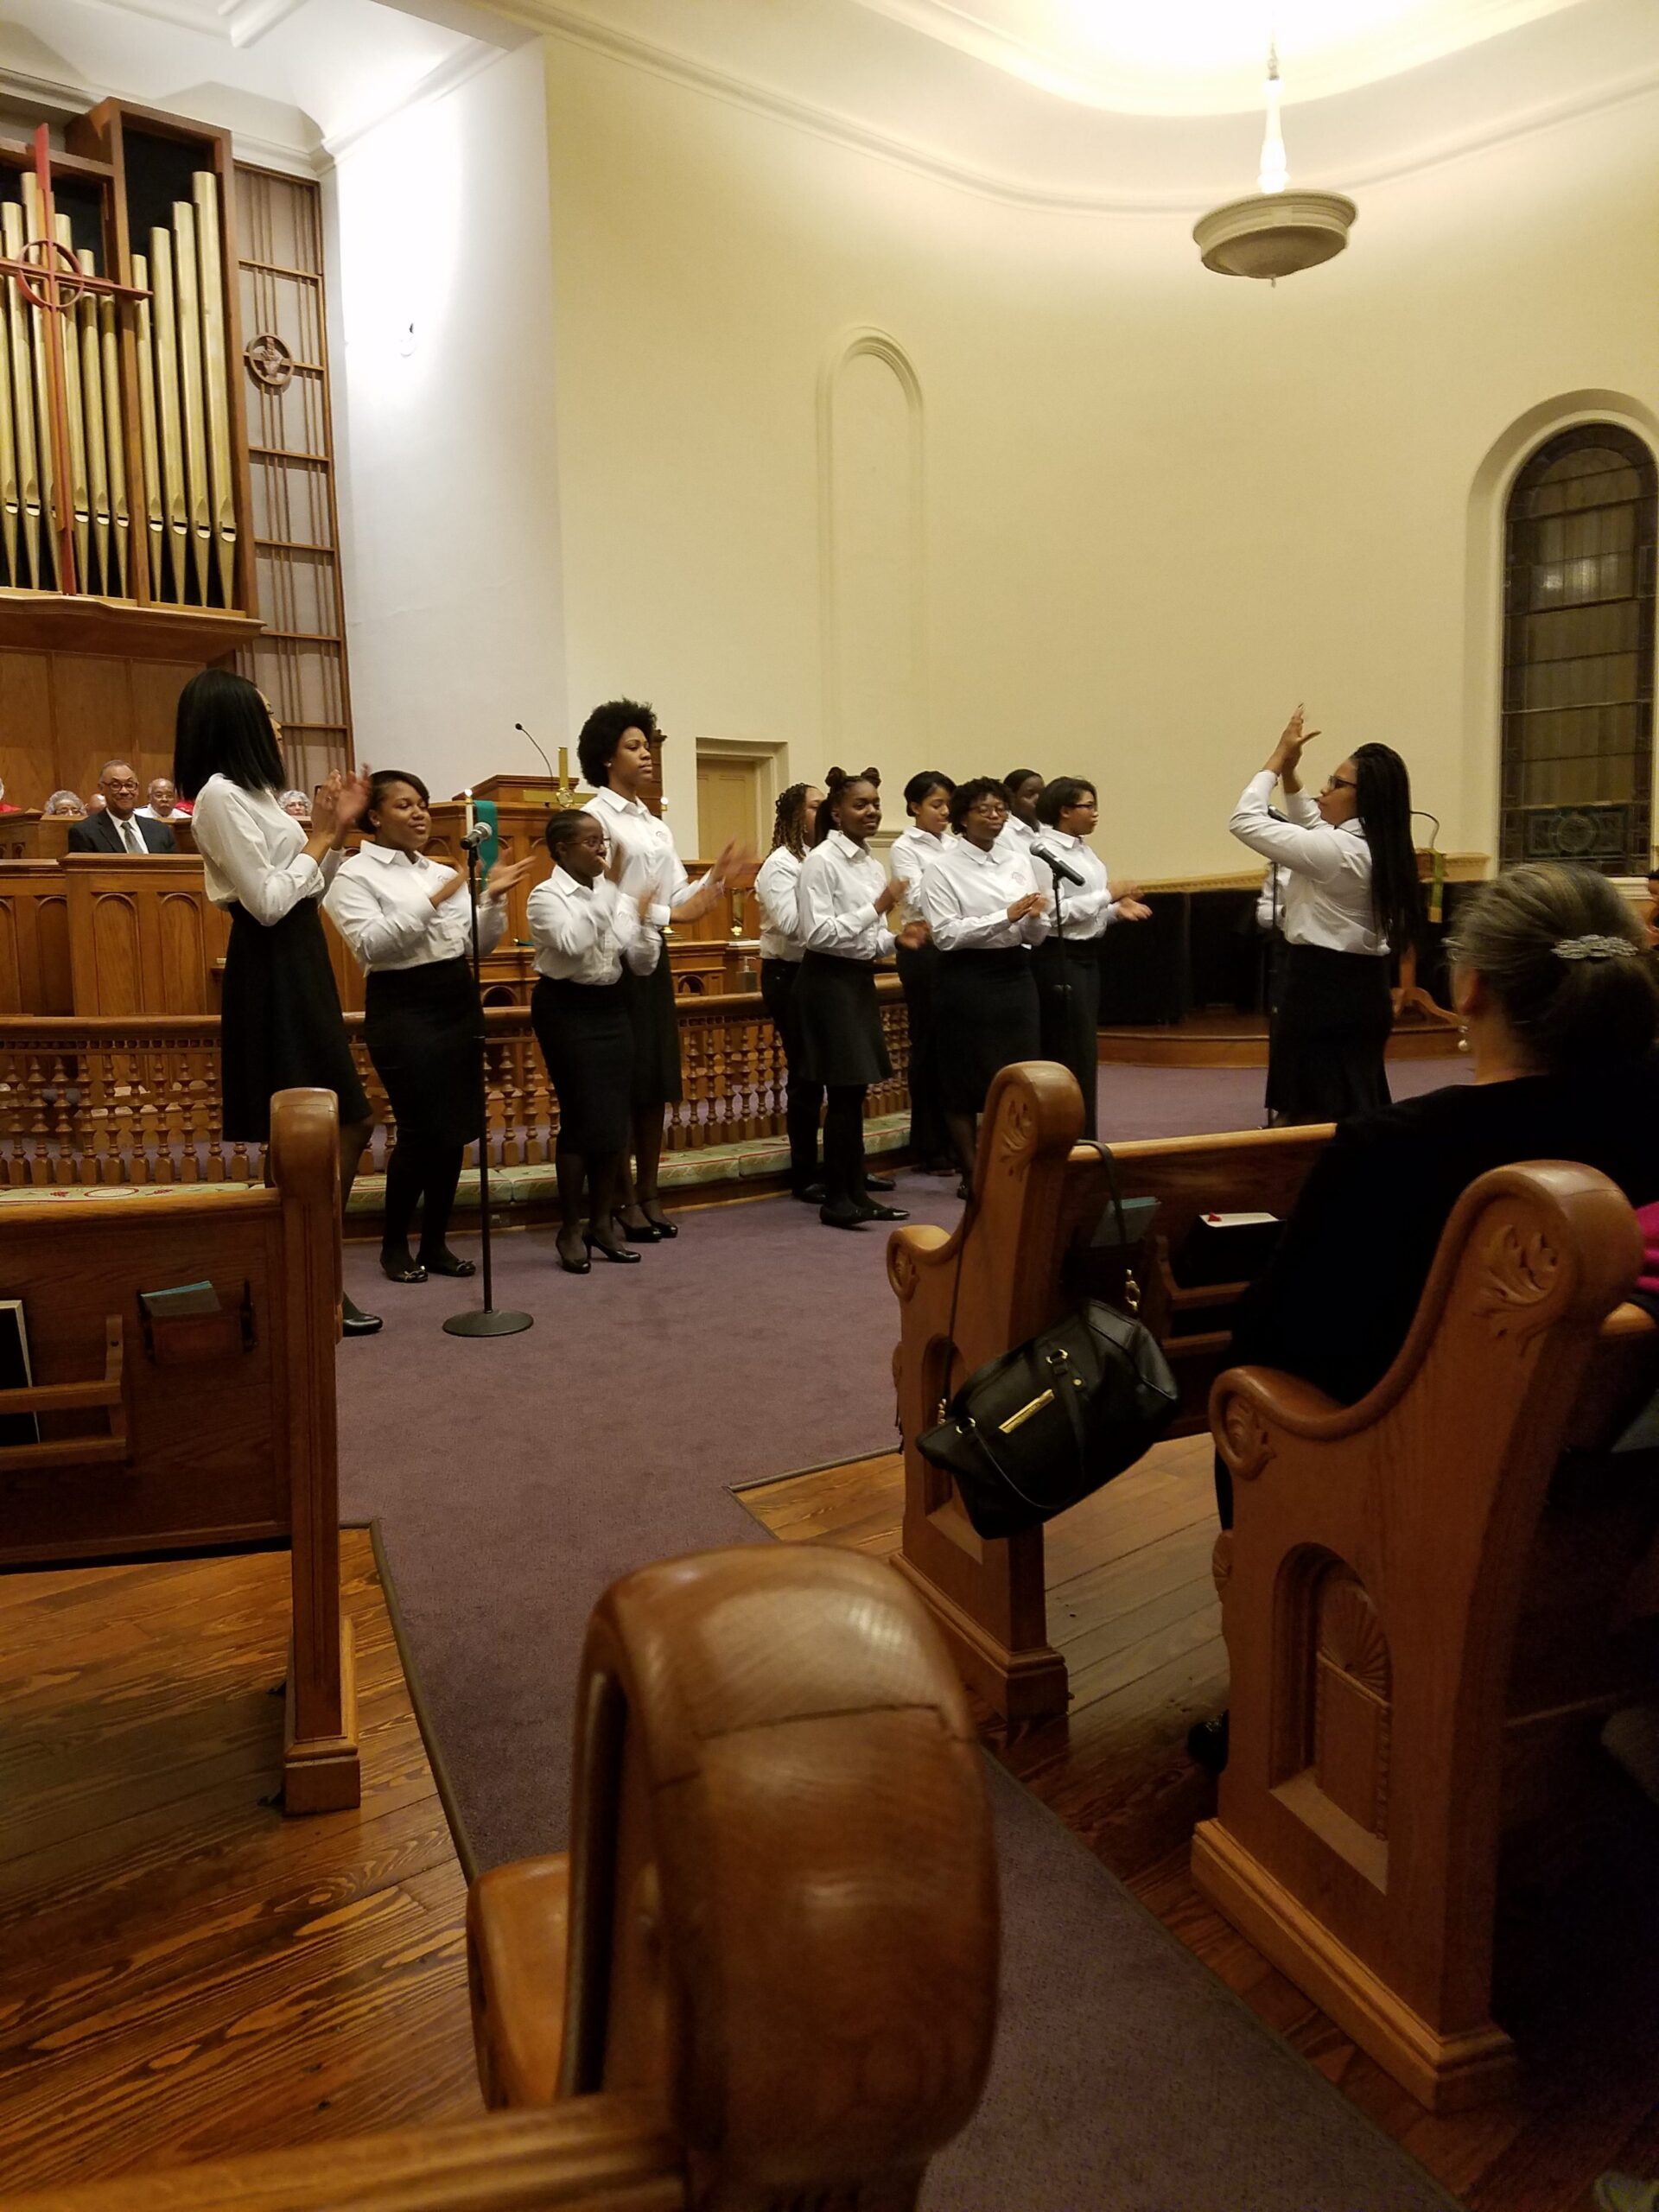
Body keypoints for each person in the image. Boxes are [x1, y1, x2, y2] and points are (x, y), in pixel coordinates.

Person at [1189, 861, 1659, 1771]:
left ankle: (1284, 1699)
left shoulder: (1396, 1151)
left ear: (1470, 985)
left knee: (1248, 1403)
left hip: (1434, 1484)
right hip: (1623, 1476)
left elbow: (1281, 1353)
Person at [175, 669, 381, 1336]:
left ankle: (303, 1280)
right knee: (330, 1124)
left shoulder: (258, 795)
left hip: (300, 956)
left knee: (318, 1128)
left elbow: (306, 890)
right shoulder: (218, 797)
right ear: (234, 722)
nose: (279, 724)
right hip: (270, 966)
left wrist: (333, 835)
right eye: (266, 714)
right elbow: (265, 902)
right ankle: (310, 1279)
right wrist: (317, 837)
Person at [324, 770, 532, 1286]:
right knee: (421, 1131)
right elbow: (372, 945)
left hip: (455, 998)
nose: (418, 813)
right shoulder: (353, 875)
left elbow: (476, 946)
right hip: (403, 1005)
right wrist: (438, 899)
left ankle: (435, 1243)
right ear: (375, 817)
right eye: (404, 805)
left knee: (455, 1130)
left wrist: (491, 900)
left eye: (422, 803)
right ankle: (394, 1246)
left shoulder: (441, 870)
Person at [578, 699, 753, 1243]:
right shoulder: (596, 818)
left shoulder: (654, 825)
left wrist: (715, 880)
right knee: (622, 1084)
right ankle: (620, 1197)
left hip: (650, 957)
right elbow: (604, 896)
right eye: (633, 746)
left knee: (652, 1080)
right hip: (609, 960)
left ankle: (650, 1191)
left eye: (647, 745)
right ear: (607, 757)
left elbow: (678, 896)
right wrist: (668, 914)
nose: (646, 754)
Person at [1229, 706, 1421, 1125]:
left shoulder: (1340, 852)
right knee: (1353, 1109)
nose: (1325, 788)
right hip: (1361, 989)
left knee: (1314, 1114)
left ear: (1364, 796)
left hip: (1322, 991)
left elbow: (1244, 820)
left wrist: (1277, 759)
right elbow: (1315, 824)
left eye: (1336, 783)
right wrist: (1292, 774)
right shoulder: (1374, 843)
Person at [526, 809, 664, 1274]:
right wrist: (611, 895)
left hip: (610, 1007)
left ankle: (603, 1224)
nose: (601, 849)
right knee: (582, 1117)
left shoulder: (613, 894)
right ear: (562, 850)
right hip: (566, 1008)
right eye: (590, 842)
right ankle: (570, 1227)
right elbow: (573, 942)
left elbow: (640, 963)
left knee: (612, 1120)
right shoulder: (545, 897)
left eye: (602, 840)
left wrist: (644, 924)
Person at [921, 777, 1050, 1194]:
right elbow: (946, 935)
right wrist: (1005, 916)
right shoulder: (942, 868)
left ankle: (1011, 1163)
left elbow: (1033, 935)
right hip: (966, 979)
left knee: (1019, 1072)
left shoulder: (1018, 860)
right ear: (962, 818)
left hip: (1014, 974)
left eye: (1001, 809)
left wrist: (1035, 920)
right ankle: (972, 1172)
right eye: (985, 810)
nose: (995, 817)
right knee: (965, 1077)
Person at [796, 767, 910, 1230]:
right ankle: (838, 1199)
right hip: (826, 982)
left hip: (856, 980)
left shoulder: (869, 863)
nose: (872, 812)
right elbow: (818, 934)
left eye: (876, 804)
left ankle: (858, 1192)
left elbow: (868, 938)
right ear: (837, 813)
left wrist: (898, 940)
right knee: (843, 1091)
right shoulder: (821, 861)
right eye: (860, 805)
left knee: (855, 1091)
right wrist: (878, 907)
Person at [1028, 777, 1151, 1136]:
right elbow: (1052, 914)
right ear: (1064, 811)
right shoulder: (1042, 853)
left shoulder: (1084, 852)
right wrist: (1107, 896)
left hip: (1087, 955)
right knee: (1067, 1050)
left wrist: (1114, 911)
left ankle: (1086, 1136)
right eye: (1088, 806)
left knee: (1084, 1051)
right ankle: (1065, 1138)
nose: (1095, 814)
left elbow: (1087, 912)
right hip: (1057, 956)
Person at [754, 781, 826, 1202]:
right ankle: (805, 1172)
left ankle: (845, 1164)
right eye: (816, 807)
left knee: (839, 1075)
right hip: (789, 973)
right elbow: (792, 924)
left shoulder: (828, 857)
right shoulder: (781, 865)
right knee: (806, 1074)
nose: (825, 812)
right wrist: (841, 918)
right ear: (796, 816)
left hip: (824, 970)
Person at [888, 770, 956, 1174]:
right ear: (915, 807)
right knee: (928, 1044)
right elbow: (917, 896)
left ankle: (955, 1136)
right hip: (924, 947)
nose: (945, 812)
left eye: (948, 804)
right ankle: (929, 1143)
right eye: (936, 804)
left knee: (953, 1047)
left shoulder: (956, 843)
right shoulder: (905, 847)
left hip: (953, 947)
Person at [68, 760, 175, 854]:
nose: (124, 791)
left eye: (129, 785)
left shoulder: (161, 831)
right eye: (115, 785)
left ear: (137, 788)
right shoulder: (84, 833)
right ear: (101, 788)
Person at [996, 767, 1044, 861]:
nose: (1039, 800)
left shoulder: (1051, 828)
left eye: (1042, 793)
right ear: (1012, 799)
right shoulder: (1002, 834)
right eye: (1030, 795)